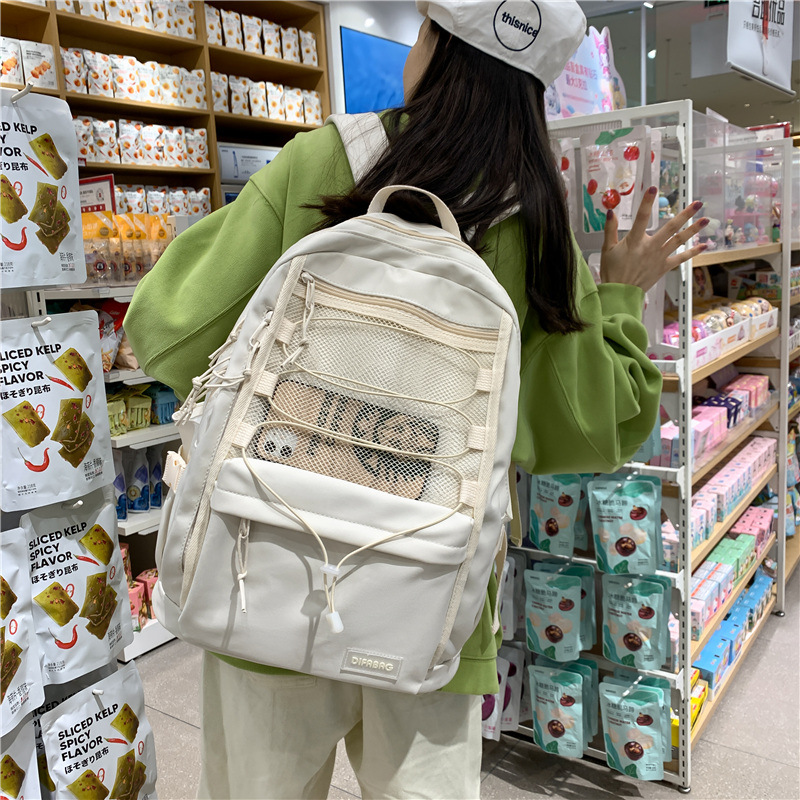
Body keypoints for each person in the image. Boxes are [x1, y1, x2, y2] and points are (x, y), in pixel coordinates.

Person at [125, 2, 708, 797]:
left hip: (266, 564)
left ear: (432, 42)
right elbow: (596, 427)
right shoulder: (530, 217)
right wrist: (617, 295)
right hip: (433, 595)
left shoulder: (327, 160)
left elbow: (168, 328)